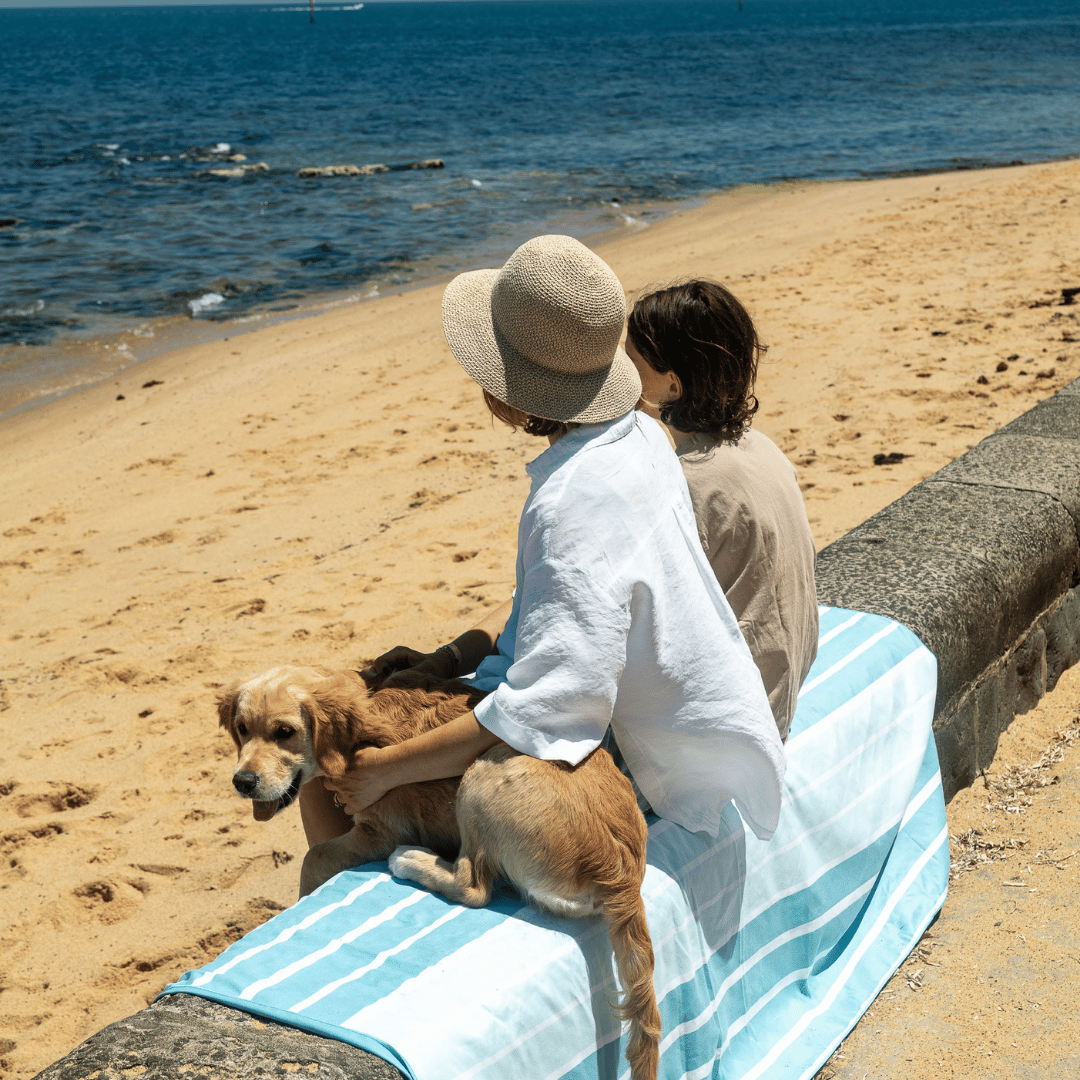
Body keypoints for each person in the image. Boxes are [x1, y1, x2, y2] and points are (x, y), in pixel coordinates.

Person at [302, 235, 785, 848]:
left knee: (323, 769)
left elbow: (549, 706)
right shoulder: (640, 434)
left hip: (635, 771)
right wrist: (453, 659)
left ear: (510, 389)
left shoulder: (570, 501)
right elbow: (561, 616)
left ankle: (341, 901)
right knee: (383, 706)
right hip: (676, 733)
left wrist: (383, 773)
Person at [625, 280, 818, 742]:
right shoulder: (760, 448)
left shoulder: (686, 483)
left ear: (673, 383)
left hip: (733, 732)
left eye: (631, 364)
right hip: (778, 694)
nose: (622, 378)